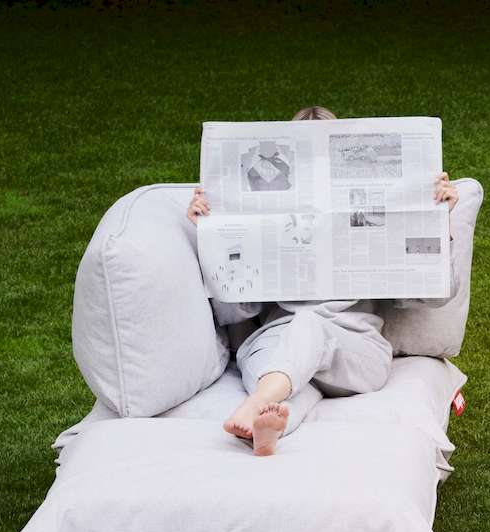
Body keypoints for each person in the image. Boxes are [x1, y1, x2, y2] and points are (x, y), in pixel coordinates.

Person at [188, 105, 461, 455]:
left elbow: (434, 296)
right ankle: (266, 430)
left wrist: (439, 221)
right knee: (293, 379)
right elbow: (233, 312)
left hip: (355, 349)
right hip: (276, 344)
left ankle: (255, 404)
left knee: (308, 326)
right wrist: (211, 235)